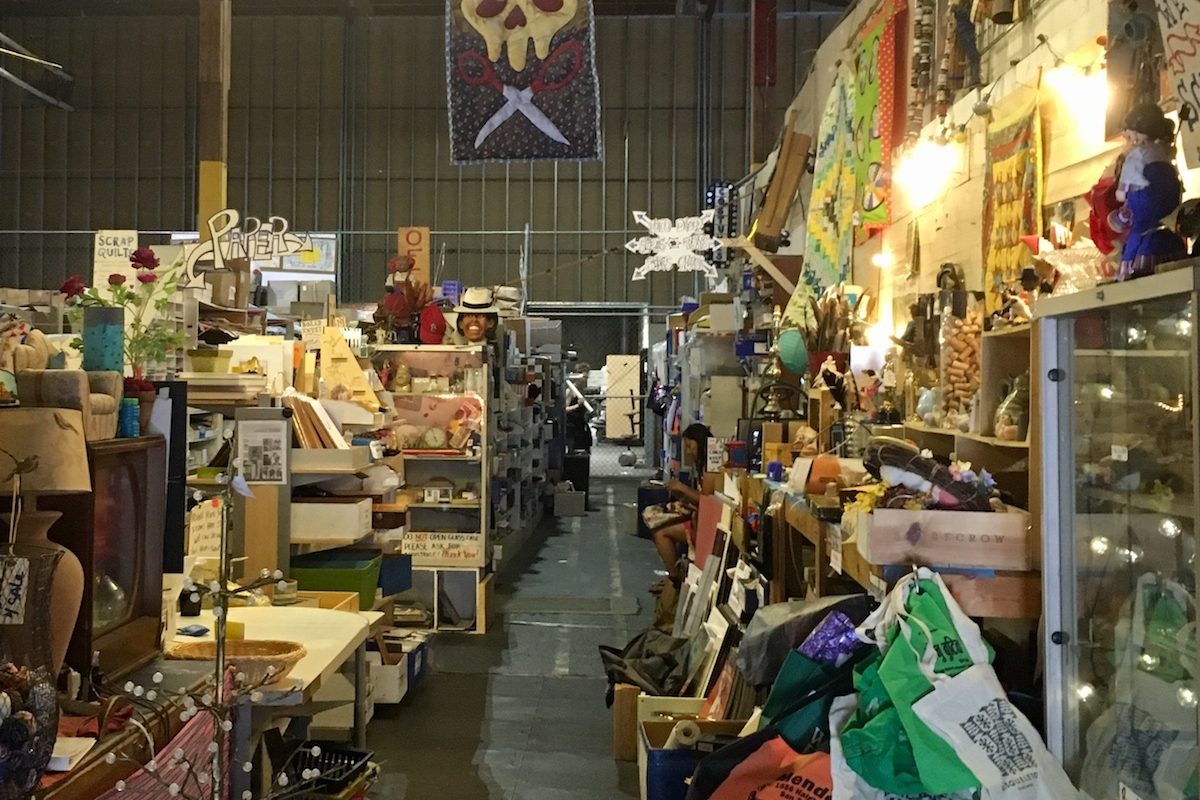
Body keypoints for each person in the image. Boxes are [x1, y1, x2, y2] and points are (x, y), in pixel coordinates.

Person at [652, 423, 712, 590]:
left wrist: (682, 488)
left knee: (661, 533)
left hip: (704, 526)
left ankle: (675, 581)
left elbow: (707, 501)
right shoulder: (701, 466)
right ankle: (677, 575)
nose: (688, 451)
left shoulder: (710, 469)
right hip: (697, 517)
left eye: (690, 446)